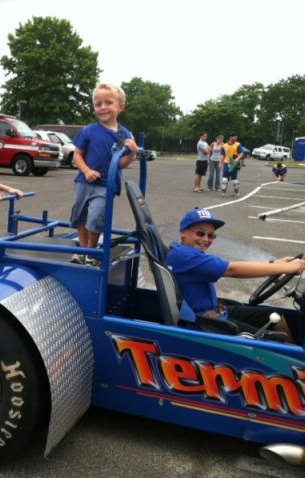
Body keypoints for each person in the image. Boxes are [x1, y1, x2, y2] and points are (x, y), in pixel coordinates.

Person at [165, 208, 305, 343]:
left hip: (214, 311)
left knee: (277, 316)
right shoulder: (185, 256)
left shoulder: (183, 253)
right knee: (275, 340)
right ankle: (292, 361)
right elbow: (232, 269)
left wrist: (273, 263)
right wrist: (284, 267)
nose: (206, 239)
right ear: (183, 232)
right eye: (200, 233)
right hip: (204, 321)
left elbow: (230, 264)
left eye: (211, 235)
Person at [70, 82, 137, 266]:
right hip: (84, 181)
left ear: (120, 106)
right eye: (98, 104)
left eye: (108, 102)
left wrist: (132, 152)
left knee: (96, 217)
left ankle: (91, 251)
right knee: (80, 216)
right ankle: (82, 250)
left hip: (106, 184)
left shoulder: (125, 135)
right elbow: (77, 154)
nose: (103, 107)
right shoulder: (89, 130)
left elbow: (121, 164)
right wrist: (86, 170)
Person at [219, 133, 246, 197]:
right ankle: (223, 192)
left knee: (234, 178)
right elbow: (222, 155)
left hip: (234, 163)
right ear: (231, 137)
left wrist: (237, 159)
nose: (236, 139)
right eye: (234, 137)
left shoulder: (238, 145)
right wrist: (220, 162)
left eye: (236, 137)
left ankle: (236, 193)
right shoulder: (224, 145)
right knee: (225, 178)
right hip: (226, 163)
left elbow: (241, 153)